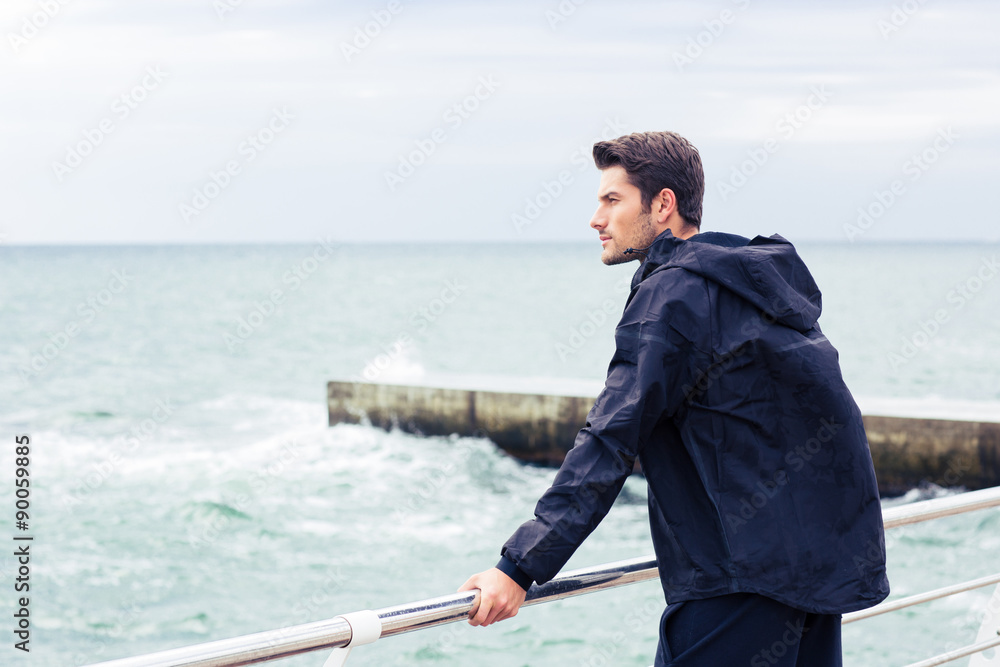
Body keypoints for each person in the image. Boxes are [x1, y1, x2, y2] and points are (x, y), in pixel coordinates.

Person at [458, 131, 889, 666]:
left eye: (612, 200)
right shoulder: (752, 283)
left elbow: (609, 439)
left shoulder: (672, 295)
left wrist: (518, 567)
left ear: (664, 204)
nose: (596, 219)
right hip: (814, 583)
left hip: (736, 589)